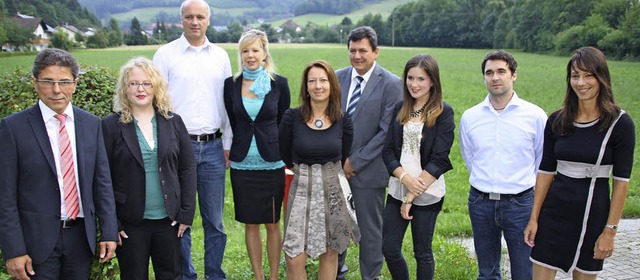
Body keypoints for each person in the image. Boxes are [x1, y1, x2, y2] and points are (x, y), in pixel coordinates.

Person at [0, 48, 118, 280]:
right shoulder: (13, 128)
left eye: (64, 82)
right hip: (36, 242)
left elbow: (102, 183)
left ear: (75, 83)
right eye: (48, 81)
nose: (56, 90)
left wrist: (109, 231)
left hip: (80, 239)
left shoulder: (91, 124)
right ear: (35, 83)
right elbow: (5, 195)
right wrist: (14, 249)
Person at [524, 47, 636, 279]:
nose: (581, 82)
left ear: (601, 78)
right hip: (553, 213)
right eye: (575, 76)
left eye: (588, 75)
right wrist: (534, 218)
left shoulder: (620, 123)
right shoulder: (556, 120)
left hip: (592, 214)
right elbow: (545, 172)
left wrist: (610, 231)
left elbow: (621, 182)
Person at [153, 0, 232, 279]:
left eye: (200, 17)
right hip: (177, 146)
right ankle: (185, 274)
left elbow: (227, 102)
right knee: (178, 219)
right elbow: (156, 102)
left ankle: (215, 275)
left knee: (215, 222)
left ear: (208, 20)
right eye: (189, 17)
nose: (194, 22)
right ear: (181, 20)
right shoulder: (165, 54)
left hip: (212, 146)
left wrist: (227, 143)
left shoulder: (221, 56)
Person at [102, 57, 197, 280]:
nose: (140, 89)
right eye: (134, 83)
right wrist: (111, 223)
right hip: (129, 223)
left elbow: (187, 168)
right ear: (125, 88)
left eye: (147, 83)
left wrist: (186, 213)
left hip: (169, 220)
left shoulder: (173, 122)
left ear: (156, 87)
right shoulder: (110, 125)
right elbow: (103, 177)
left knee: (171, 275)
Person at [459, 50, 547, 280]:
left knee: (523, 271)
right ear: (484, 77)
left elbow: (541, 160)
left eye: (501, 71)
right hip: (480, 202)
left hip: (520, 204)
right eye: (489, 73)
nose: (495, 77)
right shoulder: (471, 117)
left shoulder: (535, 116)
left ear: (513, 75)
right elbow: (470, 157)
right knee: (486, 272)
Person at [278, 60, 360, 280]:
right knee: (294, 257)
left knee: (330, 251)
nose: (318, 86)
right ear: (306, 87)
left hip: (333, 191)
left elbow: (343, 155)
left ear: (332, 84)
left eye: (323, 80)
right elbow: (285, 153)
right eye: (312, 81)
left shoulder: (344, 120)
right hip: (301, 189)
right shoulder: (291, 118)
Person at [335, 25, 402, 280]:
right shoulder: (337, 78)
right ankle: (336, 274)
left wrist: (354, 162)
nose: (357, 56)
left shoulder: (392, 84)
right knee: (337, 228)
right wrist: (339, 162)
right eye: (352, 50)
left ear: (376, 52)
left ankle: (370, 276)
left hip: (369, 173)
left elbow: (386, 132)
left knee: (370, 233)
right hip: (335, 170)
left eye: (363, 50)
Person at [223, 29, 290, 280]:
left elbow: (284, 122)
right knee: (251, 223)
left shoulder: (278, 83)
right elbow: (233, 120)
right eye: (245, 50)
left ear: (264, 53)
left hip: (271, 162)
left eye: (255, 50)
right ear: (240, 54)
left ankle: (274, 275)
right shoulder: (230, 85)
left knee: (273, 223)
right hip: (242, 164)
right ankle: (259, 276)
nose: (250, 55)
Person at [381, 54, 455, 280]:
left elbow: (440, 159)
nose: (414, 84)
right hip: (398, 188)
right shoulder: (400, 108)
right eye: (410, 78)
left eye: (421, 79)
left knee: (422, 252)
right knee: (389, 248)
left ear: (432, 81)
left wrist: (411, 195)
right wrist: (404, 179)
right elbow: (388, 151)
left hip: (427, 191)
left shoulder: (443, 112)